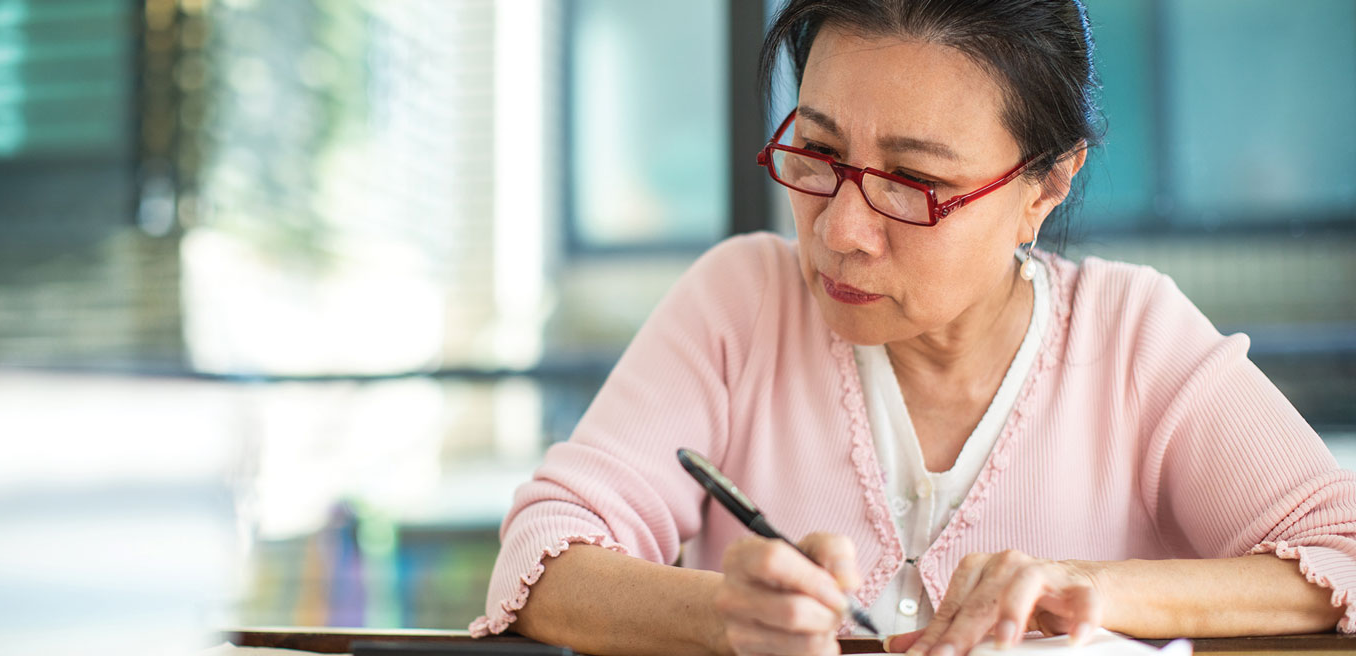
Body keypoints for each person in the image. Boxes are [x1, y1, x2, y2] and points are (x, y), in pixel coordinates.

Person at [471, 1, 1356, 654]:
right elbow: (547, 555)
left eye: (914, 184)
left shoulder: (1133, 337)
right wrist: (723, 616)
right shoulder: (741, 302)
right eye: (817, 154)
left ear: (1043, 189)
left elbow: (1342, 553)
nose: (842, 231)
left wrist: (1081, 587)